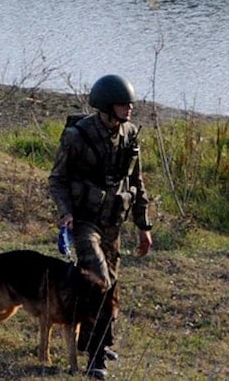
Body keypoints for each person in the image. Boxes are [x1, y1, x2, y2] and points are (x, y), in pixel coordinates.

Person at [49, 74, 152, 379]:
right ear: (107, 106)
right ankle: (97, 357)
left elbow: (137, 183)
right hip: (84, 222)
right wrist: (66, 213)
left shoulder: (130, 134)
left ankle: (93, 340)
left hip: (113, 223)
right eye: (123, 104)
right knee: (99, 282)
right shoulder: (77, 136)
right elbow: (57, 179)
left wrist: (143, 226)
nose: (130, 108)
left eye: (130, 104)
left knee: (112, 284)